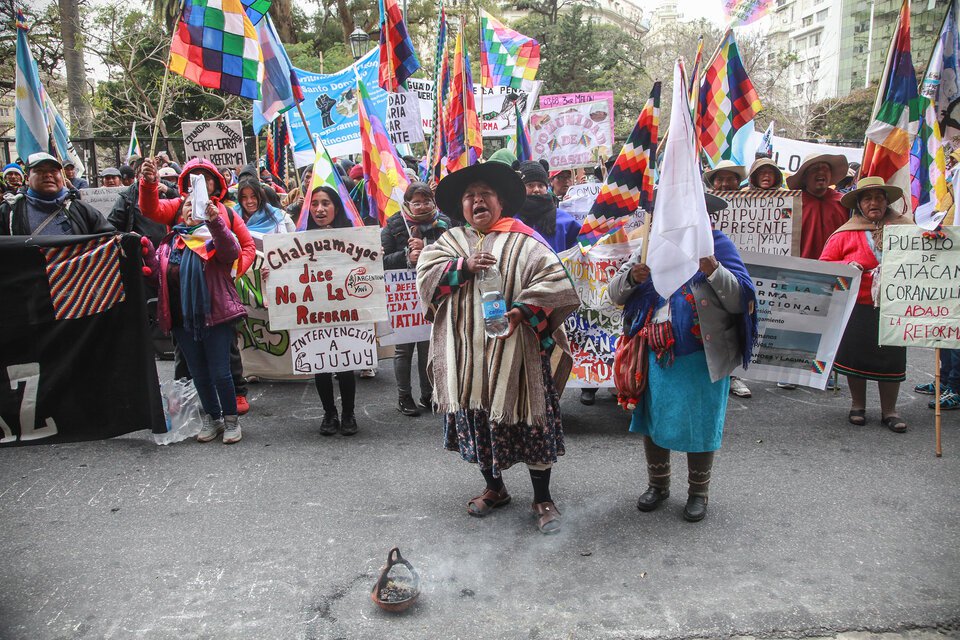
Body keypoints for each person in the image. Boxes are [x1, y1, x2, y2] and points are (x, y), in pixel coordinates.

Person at [418, 161, 581, 534]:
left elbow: (556, 282)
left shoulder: (525, 240)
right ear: (462, 207)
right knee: (479, 421)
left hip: (519, 355)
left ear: (500, 201)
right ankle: (495, 488)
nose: (477, 201)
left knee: (532, 424)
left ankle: (542, 498)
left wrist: (521, 312)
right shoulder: (448, 243)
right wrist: (463, 266)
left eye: (485, 194)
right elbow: (426, 282)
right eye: (470, 196)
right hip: (467, 357)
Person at [608, 193, 757, 522]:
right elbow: (614, 292)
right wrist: (632, 277)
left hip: (701, 355)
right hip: (654, 353)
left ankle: (698, 492)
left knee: (701, 422)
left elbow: (741, 300)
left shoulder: (717, 246)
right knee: (653, 419)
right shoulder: (648, 248)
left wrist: (713, 270)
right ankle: (658, 485)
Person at [139, 156, 257, 414]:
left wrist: (233, 270)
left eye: (207, 179)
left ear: (217, 183)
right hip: (181, 299)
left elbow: (244, 246)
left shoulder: (225, 212)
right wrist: (148, 184)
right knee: (185, 352)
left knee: (227, 351)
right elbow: (150, 209)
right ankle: (186, 395)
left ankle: (236, 395)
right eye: (196, 179)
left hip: (217, 294)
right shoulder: (178, 209)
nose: (202, 184)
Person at [820, 177, 911, 433]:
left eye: (879, 198)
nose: (874, 203)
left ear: (887, 201)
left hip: (893, 304)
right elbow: (824, 264)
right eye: (868, 199)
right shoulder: (845, 233)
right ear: (859, 204)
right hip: (858, 305)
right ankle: (857, 406)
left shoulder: (906, 229)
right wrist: (846, 266)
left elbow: (924, 256)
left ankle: (889, 411)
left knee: (891, 358)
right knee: (856, 357)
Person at [382, 182, 453, 416]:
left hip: (433, 295)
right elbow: (381, 260)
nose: (422, 206)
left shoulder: (445, 224)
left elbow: (453, 253)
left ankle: (428, 394)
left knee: (427, 347)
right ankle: (404, 397)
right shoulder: (393, 225)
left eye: (426, 201)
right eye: (416, 202)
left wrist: (427, 247)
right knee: (403, 349)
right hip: (402, 298)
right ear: (407, 204)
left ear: (434, 203)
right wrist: (406, 256)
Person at [300, 185, 362, 436]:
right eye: (314, 204)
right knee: (320, 365)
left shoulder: (353, 237)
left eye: (325, 203)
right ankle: (329, 413)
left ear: (336, 207)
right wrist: (272, 273)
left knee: (346, 364)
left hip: (344, 311)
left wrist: (373, 256)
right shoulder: (299, 239)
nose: (319, 209)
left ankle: (348, 413)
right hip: (315, 311)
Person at [1, 153, 115, 236]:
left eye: (54, 171)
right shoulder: (9, 211)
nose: (48, 175)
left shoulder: (81, 209)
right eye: (40, 171)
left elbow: (109, 239)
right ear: (27, 178)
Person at [786, 153, 850, 259]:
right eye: (815, 169)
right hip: (797, 265)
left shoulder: (844, 203)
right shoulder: (791, 204)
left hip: (836, 265)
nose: (821, 172)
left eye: (825, 169)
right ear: (805, 177)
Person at [513, 160, 580, 253]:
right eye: (530, 185)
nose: (536, 189)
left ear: (546, 187)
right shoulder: (511, 219)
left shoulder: (564, 220)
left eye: (540, 185)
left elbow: (584, 244)